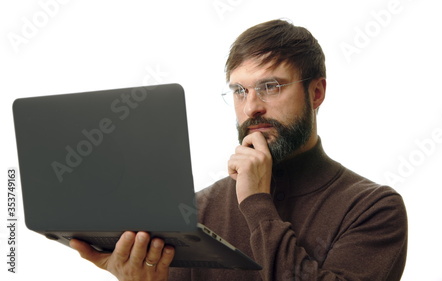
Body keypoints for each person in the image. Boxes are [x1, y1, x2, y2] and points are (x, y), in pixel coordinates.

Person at [70, 19, 408, 281]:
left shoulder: (373, 209)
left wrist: (256, 202)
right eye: (239, 91)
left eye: (270, 87)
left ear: (316, 92)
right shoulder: (194, 211)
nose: (251, 108)